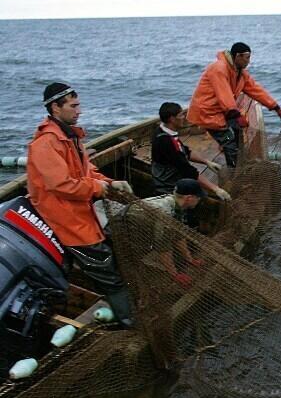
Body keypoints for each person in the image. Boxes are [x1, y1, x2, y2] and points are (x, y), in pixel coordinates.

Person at [26, 82, 136, 325]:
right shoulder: (46, 144)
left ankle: (122, 308)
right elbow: (62, 185)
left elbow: (86, 171)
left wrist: (109, 181)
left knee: (117, 255)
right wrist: (99, 188)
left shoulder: (70, 136)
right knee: (109, 273)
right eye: (74, 106)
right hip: (69, 221)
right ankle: (131, 322)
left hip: (83, 213)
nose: (79, 111)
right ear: (55, 107)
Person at [187, 42, 281, 168]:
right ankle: (234, 173)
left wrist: (276, 108)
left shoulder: (240, 73)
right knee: (229, 141)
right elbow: (224, 95)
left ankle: (238, 162)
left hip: (223, 111)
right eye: (247, 58)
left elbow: (256, 90)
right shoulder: (219, 68)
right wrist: (237, 115)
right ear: (238, 56)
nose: (248, 61)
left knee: (236, 132)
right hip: (207, 112)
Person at [152, 102, 231, 201]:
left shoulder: (163, 130)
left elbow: (185, 151)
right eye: (180, 115)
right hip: (168, 186)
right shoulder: (165, 141)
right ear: (172, 119)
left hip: (170, 176)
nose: (184, 117)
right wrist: (215, 189)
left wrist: (206, 162)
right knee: (200, 196)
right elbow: (188, 170)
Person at [139, 178, 207, 289]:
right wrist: (175, 274)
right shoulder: (165, 212)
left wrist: (190, 259)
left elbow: (178, 234)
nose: (199, 200)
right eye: (198, 197)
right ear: (189, 198)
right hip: (125, 230)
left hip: (145, 227)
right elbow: (163, 246)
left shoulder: (176, 205)